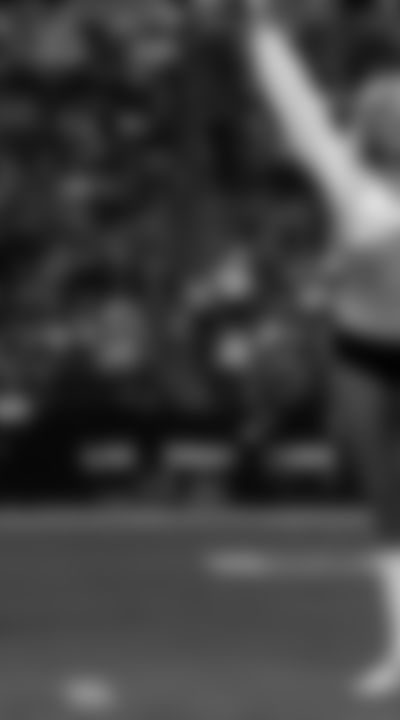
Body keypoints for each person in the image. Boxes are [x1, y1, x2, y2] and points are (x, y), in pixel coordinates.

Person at [236, 0, 400, 699]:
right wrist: (258, 28)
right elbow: (297, 108)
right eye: (379, 113)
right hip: (365, 347)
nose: (388, 120)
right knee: (386, 500)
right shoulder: (350, 183)